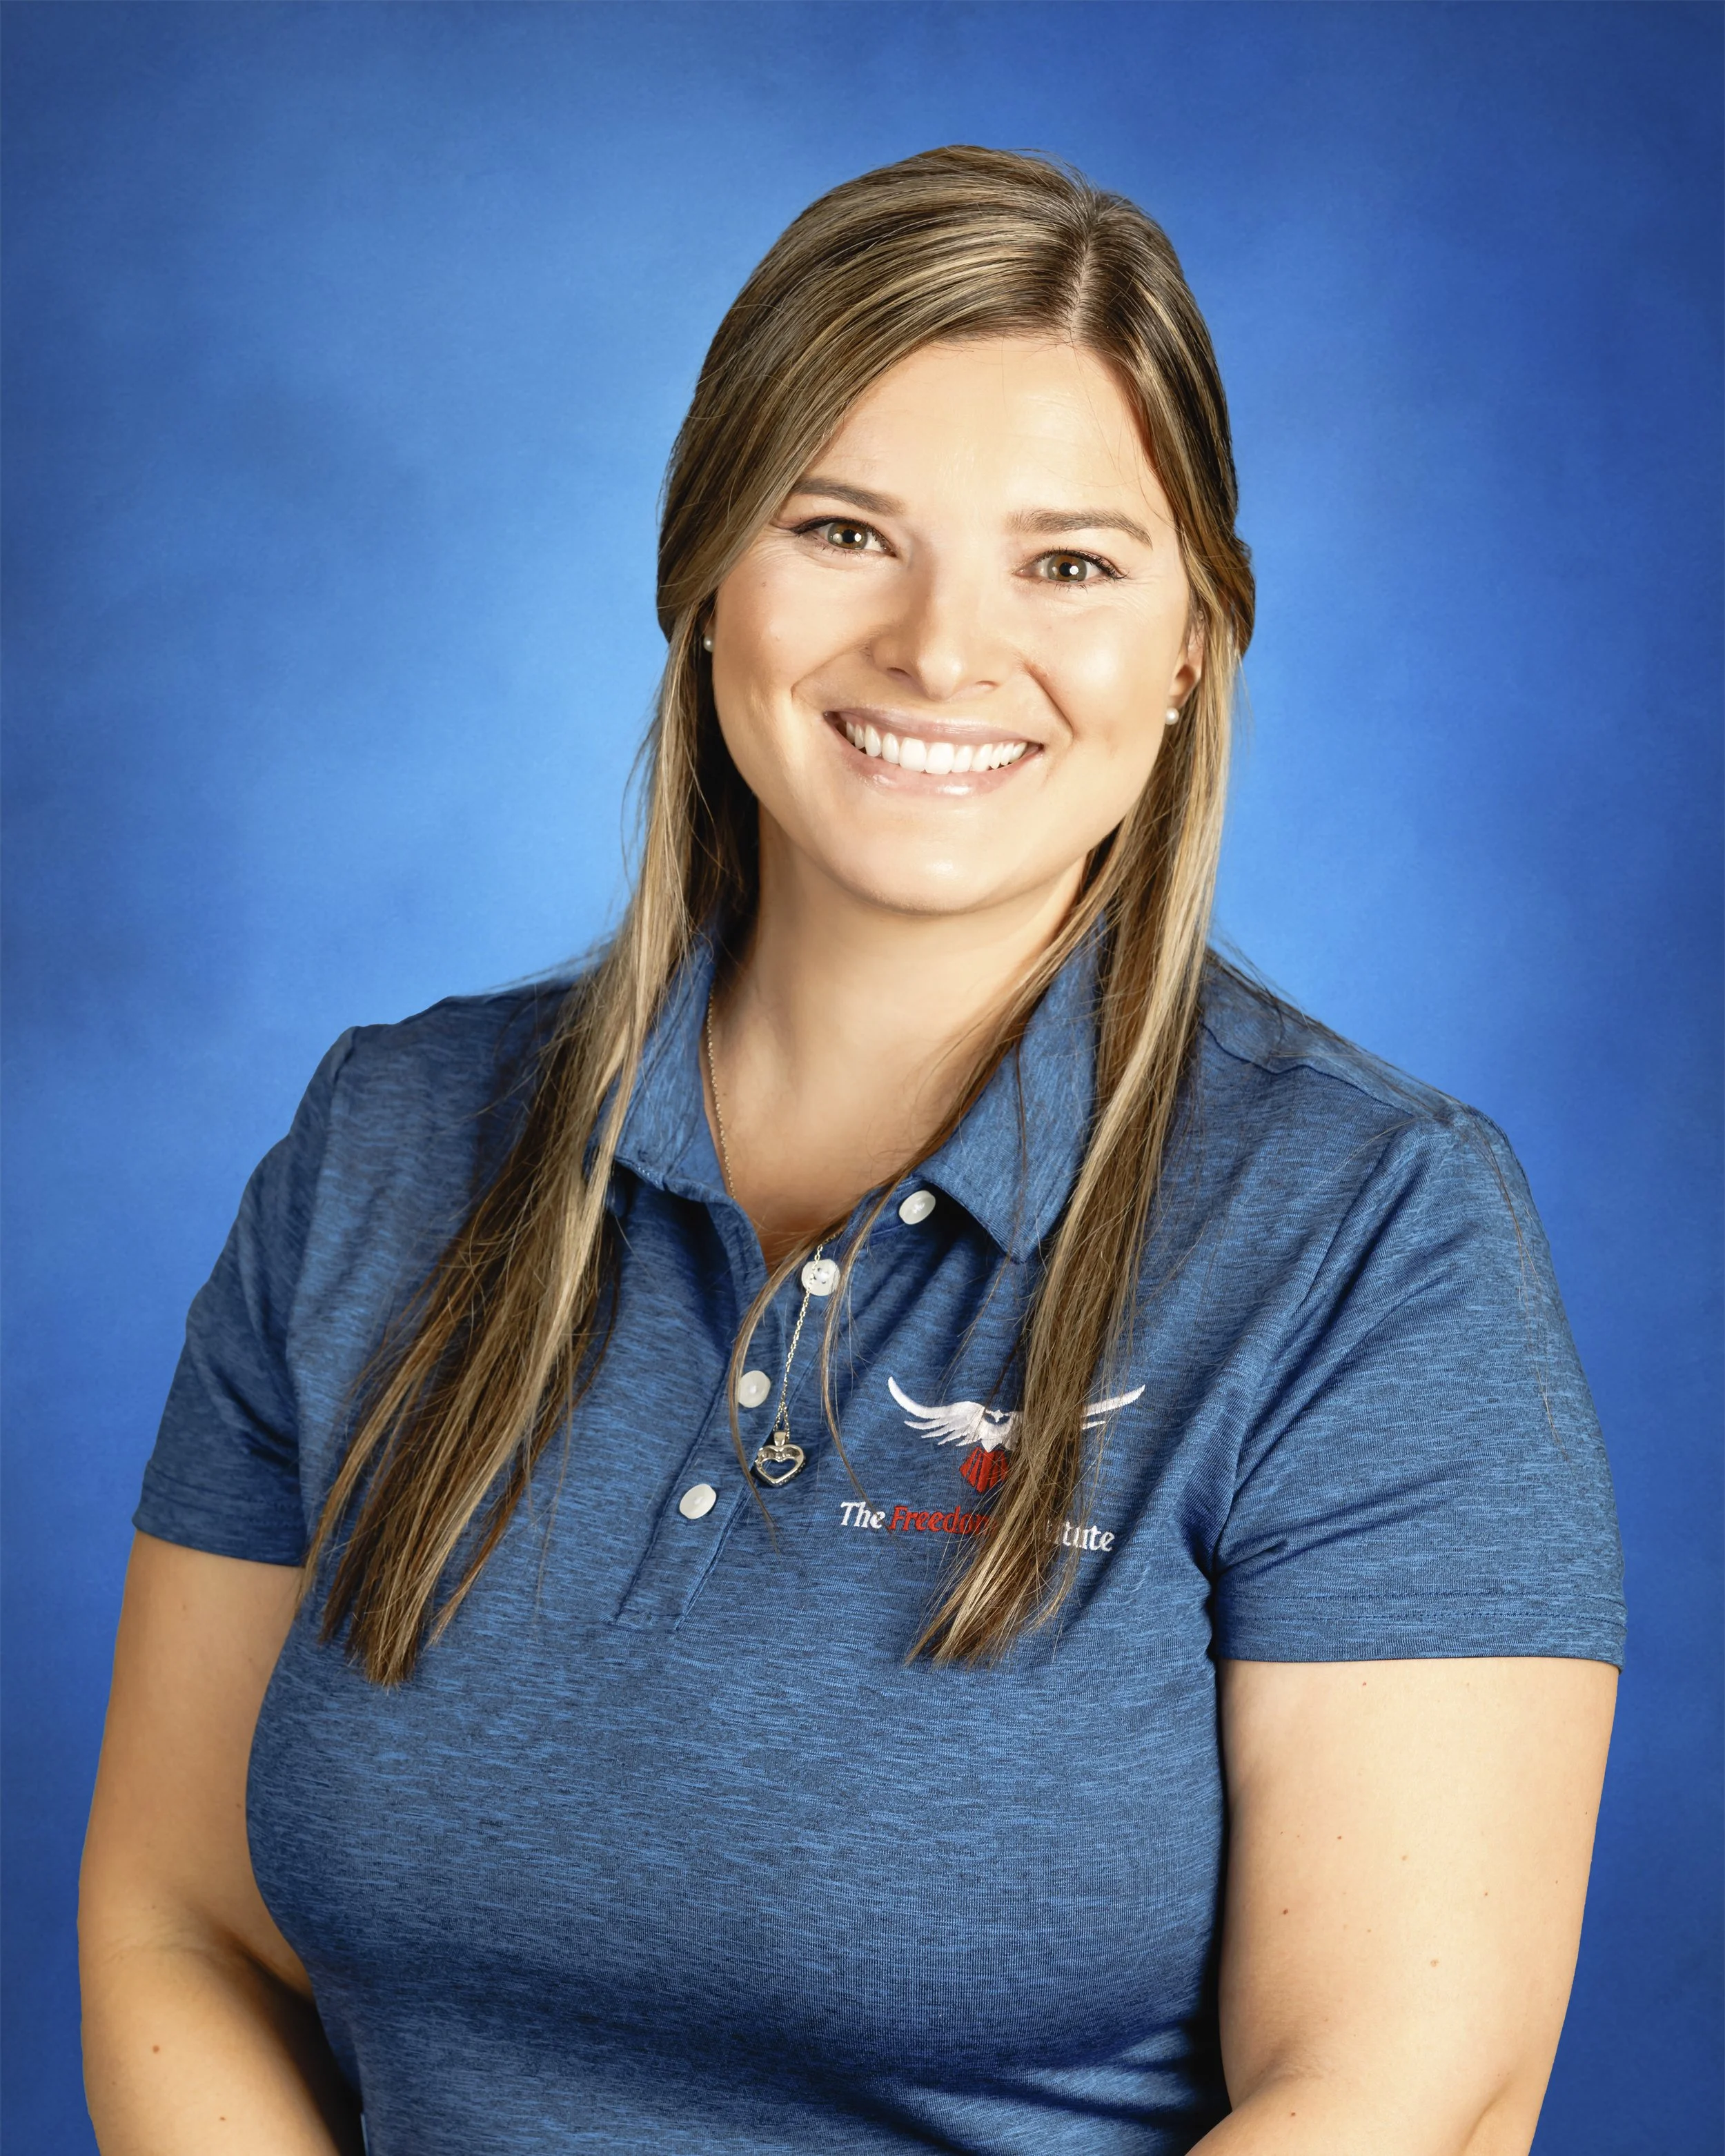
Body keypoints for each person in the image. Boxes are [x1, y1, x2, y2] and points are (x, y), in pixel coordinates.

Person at [78, 146, 1623, 2156]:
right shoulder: (381, 1143)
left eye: (1066, 562)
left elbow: (1410, 2090)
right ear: (704, 575)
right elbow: (178, 1919)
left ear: (1188, 642)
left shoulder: (1372, 1237)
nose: (938, 650)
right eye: (841, 530)